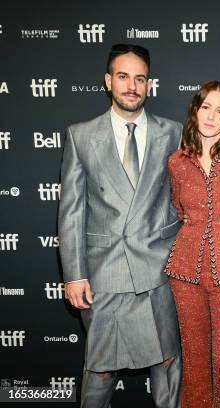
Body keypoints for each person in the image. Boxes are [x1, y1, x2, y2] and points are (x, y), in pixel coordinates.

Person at [58, 43, 182, 408]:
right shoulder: (81, 135)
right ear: (108, 81)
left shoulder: (172, 133)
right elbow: (71, 211)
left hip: (158, 271)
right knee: (100, 371)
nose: (132, 86)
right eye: (124, 77)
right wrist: (74, 274)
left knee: (167, 365)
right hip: (103, 274)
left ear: (149, 85)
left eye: (140, 78)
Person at [164, 81, 220, 408]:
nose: (212, 116)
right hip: (185, 272)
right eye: (206, 107)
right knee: (195, 365)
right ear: (195, 110)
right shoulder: (177, 161)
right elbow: (178, 207)